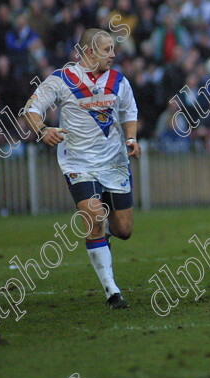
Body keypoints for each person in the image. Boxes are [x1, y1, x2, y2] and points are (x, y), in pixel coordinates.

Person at [23, 29, 140, 309]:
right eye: (107, 49)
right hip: (77, 163)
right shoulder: (61, 79)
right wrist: (42, 130)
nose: (113, 54)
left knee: (123, 230)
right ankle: (112, 292)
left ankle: (103, 238)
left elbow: (129, 112)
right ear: (89, 52)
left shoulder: (119, 80)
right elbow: (31, 109)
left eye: (113, 48)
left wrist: (132, 139)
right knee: (95, 219)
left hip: (114, 163)